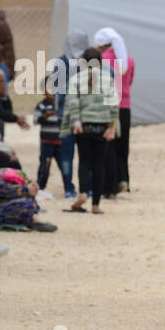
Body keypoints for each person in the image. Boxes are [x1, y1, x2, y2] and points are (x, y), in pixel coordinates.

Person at [63, 46, 118, 214]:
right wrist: (112, 127)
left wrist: (76, 121)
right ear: (100, 62)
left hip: (84, 126)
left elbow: (72, 103)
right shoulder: (107, 79)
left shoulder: (76, 79)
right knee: (99, 164)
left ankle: (83, 193)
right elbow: (114, 105)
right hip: (102, 126)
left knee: (84, 162)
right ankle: (96, 205)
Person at [93, 27, 134, 195]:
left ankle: (110, 185)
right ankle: (124, 180)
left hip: (108, 107)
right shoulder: (129, 60)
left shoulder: (102, 61)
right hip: (125, 106)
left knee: (109, 147)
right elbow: (129, 82)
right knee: (123, 146)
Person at [49, 30, 88, 198]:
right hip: (86, 115)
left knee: (66, 154)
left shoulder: (60, 62)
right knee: (86, 153)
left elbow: (57, 90)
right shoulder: (89, 62)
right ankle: (87, 187)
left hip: (64, 115)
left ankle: (68, 189)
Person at [34, 89, 63, 192]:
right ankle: (40, 187)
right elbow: (35, 120)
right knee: (44, 166)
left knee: (63, 165)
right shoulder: (41, 105)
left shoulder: (61, 104)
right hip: (46, 141)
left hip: (60, 141)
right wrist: (44, 117)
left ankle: (68, 187)